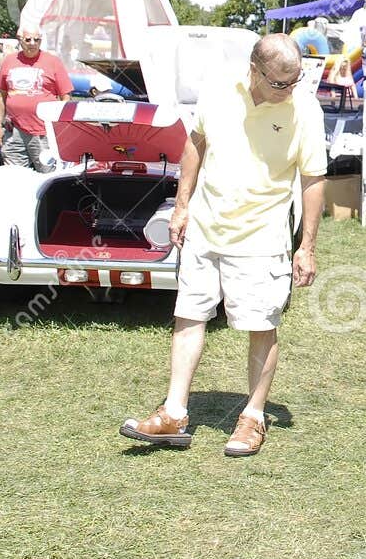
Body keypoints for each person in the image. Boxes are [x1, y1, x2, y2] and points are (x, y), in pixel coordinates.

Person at [120, 34, 327, 458]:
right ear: (254, 69)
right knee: (188, 316)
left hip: (262, 238)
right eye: (279, 82)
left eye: (295, 80)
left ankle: (253, 417)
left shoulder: (305, 107)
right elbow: (195, 144)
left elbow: (313, 180)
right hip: (205, 228)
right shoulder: (218, 88)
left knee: (260, 326)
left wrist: (306, 245)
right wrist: (181, 206)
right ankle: (174, 413)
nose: (289, 90)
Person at [0, 24, 71, 171]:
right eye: (28, 40)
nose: (33, 43)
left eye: (37, 40)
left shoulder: (52, 62)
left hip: (44, 131)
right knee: (14, 175)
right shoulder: (9, 61)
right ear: (20, 40)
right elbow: (0, 96)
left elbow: (66, 96)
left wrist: (59, 126)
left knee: (47, 173)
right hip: (14, 129)